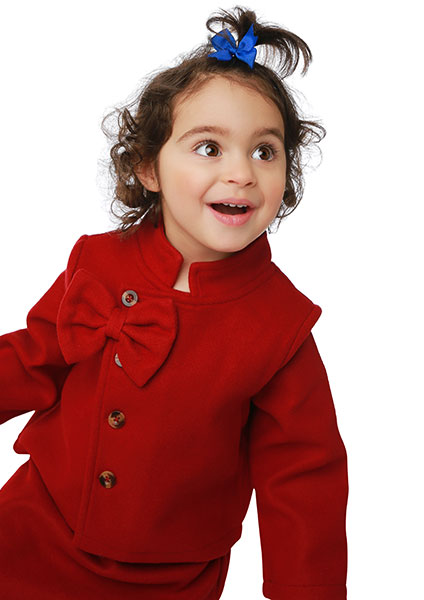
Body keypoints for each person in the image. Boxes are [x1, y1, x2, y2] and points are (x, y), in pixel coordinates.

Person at [0, 6, 348, 600]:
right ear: (148, 168)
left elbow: (303, 474)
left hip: (171, 576)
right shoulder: (97, 261)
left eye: (265, 151)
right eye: (209, 147)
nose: (241, 172)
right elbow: (32, 357)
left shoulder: (282, 327)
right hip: (35, 527)